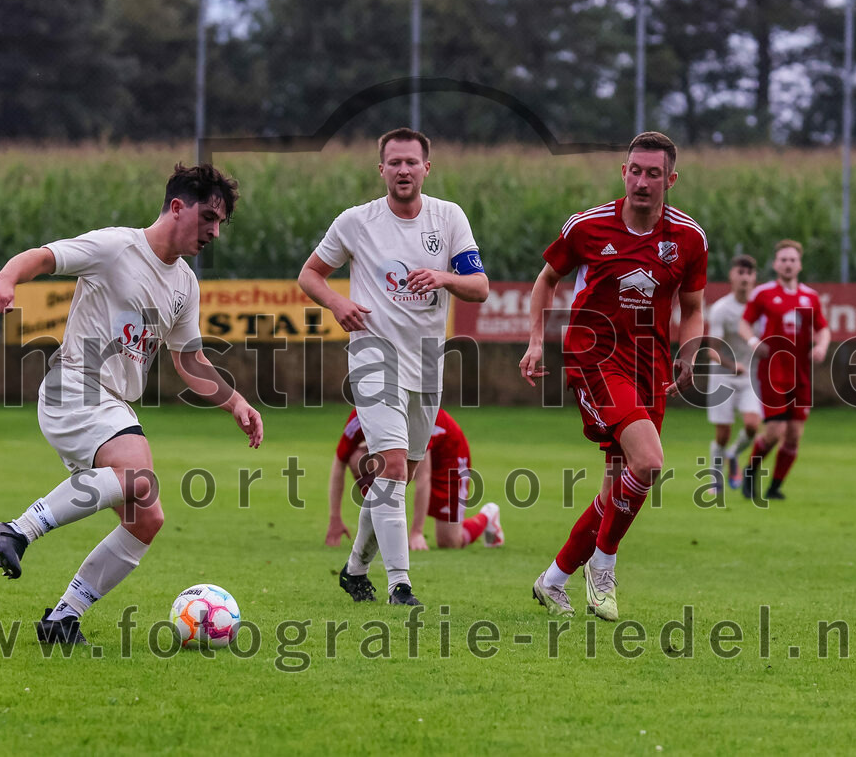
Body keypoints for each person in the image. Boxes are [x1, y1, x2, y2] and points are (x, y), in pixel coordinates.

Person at [0, 163, 263, 644]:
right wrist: (8, 280)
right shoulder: (117, 247)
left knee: (147, 519)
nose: (214, 231)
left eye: (220, 223)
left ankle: (63, 618)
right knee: (137, 475)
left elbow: (189, 362)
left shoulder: (185, 284)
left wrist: (235, 401)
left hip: (114, 405)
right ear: (177, 207)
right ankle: (16, 530)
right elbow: (43, 256)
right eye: (209, 218)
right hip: (77, 386)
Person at [520, 131, 707, 620]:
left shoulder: (688, 237)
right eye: (635, 171)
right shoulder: (588, 227)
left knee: (617, 489)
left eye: (653, 174)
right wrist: (537, 340)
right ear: (623, 172)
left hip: (651, 368)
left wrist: (690, 349)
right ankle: (603, 567)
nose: (643, 182)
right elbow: (546, 281)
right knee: (647, 463)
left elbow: (693, 306)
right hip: (595, 357)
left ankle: (552, 580)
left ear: (671, 179)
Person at [298, 128, 489, 606]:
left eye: (411, 162)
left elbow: (480, 286)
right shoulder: (357, 222)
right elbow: (310, 274)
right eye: (394, 163)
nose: (403, 170)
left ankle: (355, 568)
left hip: (426, 362)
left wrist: (445, 276)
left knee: (396, 475)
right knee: (394, 466)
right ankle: (400, 584)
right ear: (380, 169)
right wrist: (337, 304)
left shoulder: (449, 218)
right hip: (373, 356)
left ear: (427, 168)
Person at [326, 408, 503, 554]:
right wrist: (335, 519)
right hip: (412, 450)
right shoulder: (361, 414)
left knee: (449, 541)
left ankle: (488, 516)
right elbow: (339, 460)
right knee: (357, 457)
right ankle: (379, 524)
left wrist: (416, 532)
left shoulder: (413, 415)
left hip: (449, 457)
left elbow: (423, 476)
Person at [739, 239, 830, 501]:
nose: (788, 264)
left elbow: (823, 328)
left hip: (801, 372)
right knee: (775, 432)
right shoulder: (764, 294)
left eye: (792, 260)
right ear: (776, 264)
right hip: (773, 372)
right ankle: (750, 470)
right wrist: (754, 342)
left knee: (794, 436)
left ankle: (775, 486)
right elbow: (745, 324)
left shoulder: (810, 297)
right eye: (783, 259)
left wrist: (822, 345)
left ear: (799, 264)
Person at [704, 255, 761, 493]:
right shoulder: (721, 309)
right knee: (723, 433)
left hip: (750, 377)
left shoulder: (762, 307)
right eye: (740, 273)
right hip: (722, 377)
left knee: (752, 425)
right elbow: (711, 351)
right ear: (732, 276)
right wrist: (731, 365)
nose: (745, 278)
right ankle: (715, 482)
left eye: (749, 274)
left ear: (754, 278)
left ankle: (732, 454)